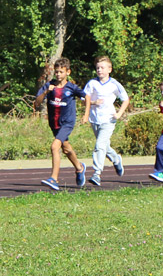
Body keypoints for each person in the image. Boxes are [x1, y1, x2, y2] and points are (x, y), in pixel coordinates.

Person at [33, 58, 87, 190]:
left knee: (54, 146)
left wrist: (86, 113)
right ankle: (80, 168)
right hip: (54, 123)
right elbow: (36, 103)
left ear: (68, 72)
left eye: (61, 72)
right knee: (66, 148)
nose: (58, 75)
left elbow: (87, 97)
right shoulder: (49, 86)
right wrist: (46, 92)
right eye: (56, 72)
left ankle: (54, 179)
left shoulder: (72, 88)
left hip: (67, 123)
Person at [81, 56, 129, 186]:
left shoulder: (114, 84)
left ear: (109, 69)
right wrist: (93, 102)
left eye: (102, 68)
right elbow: (83, 99)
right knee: (104, 146)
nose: (99, 70)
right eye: (97, 68)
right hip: (95, 119)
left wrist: (119, 113)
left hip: (108, 119)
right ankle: (116, 159)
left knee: (99, 146)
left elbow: (125, 99)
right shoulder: (92, 83)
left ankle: (97, 173)